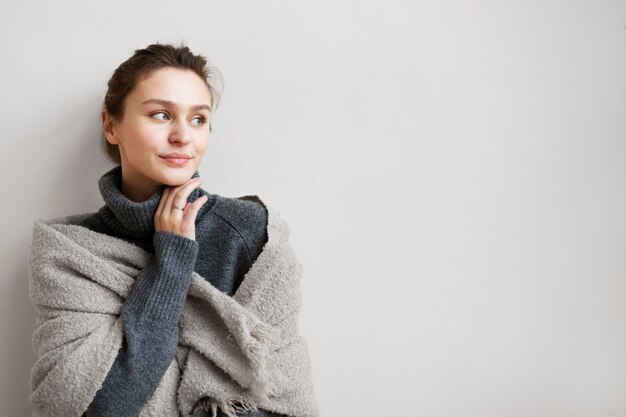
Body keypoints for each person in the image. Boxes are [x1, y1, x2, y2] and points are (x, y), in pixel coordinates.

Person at [31, 43, 305, 417]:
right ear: (112, 126)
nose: (183, 136)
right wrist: (172, 260)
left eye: (198, 119)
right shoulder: (71, 254)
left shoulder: (253, 235)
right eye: (161, 115)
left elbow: (284, 395)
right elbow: (94, 407)